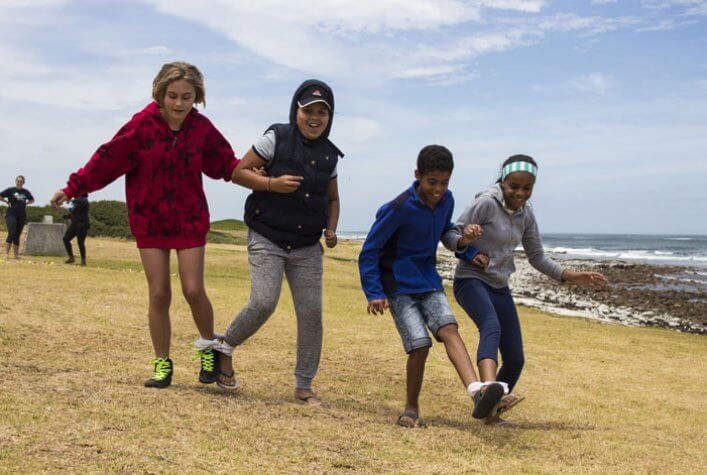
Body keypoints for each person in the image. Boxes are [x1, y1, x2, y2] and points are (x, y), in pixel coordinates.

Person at [50, 61, 240, 389]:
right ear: (160, 94)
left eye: (187, 97)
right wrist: (73, 187)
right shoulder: (141, 126)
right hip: (149, 217)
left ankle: (209, 350)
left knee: (193, 289)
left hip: (189, 217)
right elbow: (107, 160)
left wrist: (263, 176)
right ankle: (162, 364)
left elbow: (226, 163)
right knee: (159, 293)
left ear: (197, 96)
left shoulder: (201, 129)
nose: (180, 103)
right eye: (173, 96)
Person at [443, 154, 608, 426]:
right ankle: (487, 387)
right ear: (503, 181)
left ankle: (490, 411)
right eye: (514, 186)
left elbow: (537, 257)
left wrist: (572, 276)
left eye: (526, 188)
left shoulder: (526, 214)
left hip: (499, 285)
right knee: (490, 325)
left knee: (516, 358)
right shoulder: (485, 203)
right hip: (470, 280)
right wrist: (467, 245)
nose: (519, 193)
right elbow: (449, 235)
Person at [213, 79, 343, 405]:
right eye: (307, 111)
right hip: (267, 235)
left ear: (330, 117)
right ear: (295, 111)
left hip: (306, 246)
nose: (314, 118)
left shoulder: (330, 155)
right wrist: (271, 184)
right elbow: (238, 172)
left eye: (321, 113)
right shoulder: (276, 137)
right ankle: (224, 348)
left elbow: (333, 200)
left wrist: (331, 229)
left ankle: (304, 385)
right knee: (263, 302)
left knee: (311, 313)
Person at [358, 145, 506, 428]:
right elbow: (370, 251)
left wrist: (469, 251)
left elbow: (445, 232)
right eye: (432, 182)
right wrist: (375, 292)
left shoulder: (446, 201)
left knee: (450, 329)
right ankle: (411, 408)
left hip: (428, 281)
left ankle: (477, 392)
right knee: (420, 346)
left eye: (444, 183)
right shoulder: (397, 208)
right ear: (418, 175)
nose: (438, 189)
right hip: (399, 288)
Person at [1, 175, 34, 260]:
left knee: (17, 235)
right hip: (11, 214)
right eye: (18, 181)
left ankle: (16, 255)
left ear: (23, 182)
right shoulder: (10, 190)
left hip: (21, 215)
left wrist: (26, 203)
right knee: (12, 232)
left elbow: (32, 199)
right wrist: (6, 202)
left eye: (21, 181)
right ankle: (6, 254)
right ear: (16, 181)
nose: (19, 182)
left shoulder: (26, 192)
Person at [62, 193, 90, 266]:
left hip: (82, 224)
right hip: (75, 223)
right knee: (66, 239)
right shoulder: (77, 202)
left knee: (80, 242)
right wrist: (68, 216)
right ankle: (71, 257)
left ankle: (83, 261)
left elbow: (75, 203)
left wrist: (68, 199)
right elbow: (75, 212)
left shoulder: (83, 200)